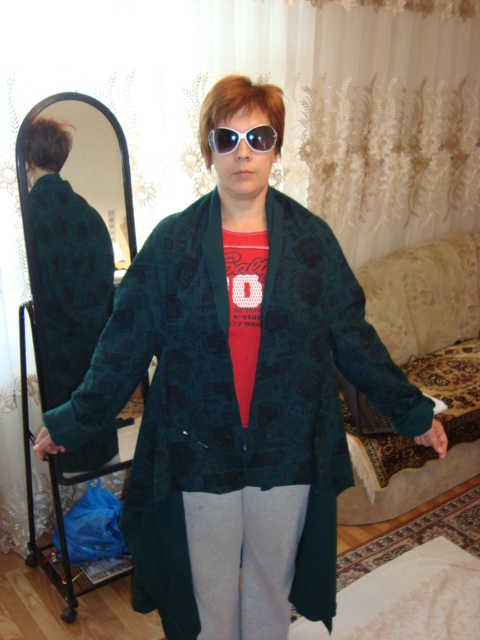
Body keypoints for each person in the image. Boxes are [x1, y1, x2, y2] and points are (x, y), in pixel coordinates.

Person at [34, 76, 448, 640]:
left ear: (277, 147)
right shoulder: (173, 244)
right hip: (201, 449)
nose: (243, 152)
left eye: (259, 137)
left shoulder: (311, 242)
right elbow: (122, 344)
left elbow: (354, 339)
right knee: (210, 596)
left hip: (285, 448)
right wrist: (73, 421)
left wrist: (412, 411)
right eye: (227, 139)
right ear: (209, 149)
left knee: (270, 586)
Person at [26, 117, 119, 473]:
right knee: (93, 431)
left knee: (67, 447)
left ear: (27, 160)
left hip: (58, 351)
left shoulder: (31, 215)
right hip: (94, 348)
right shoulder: (89, 215)